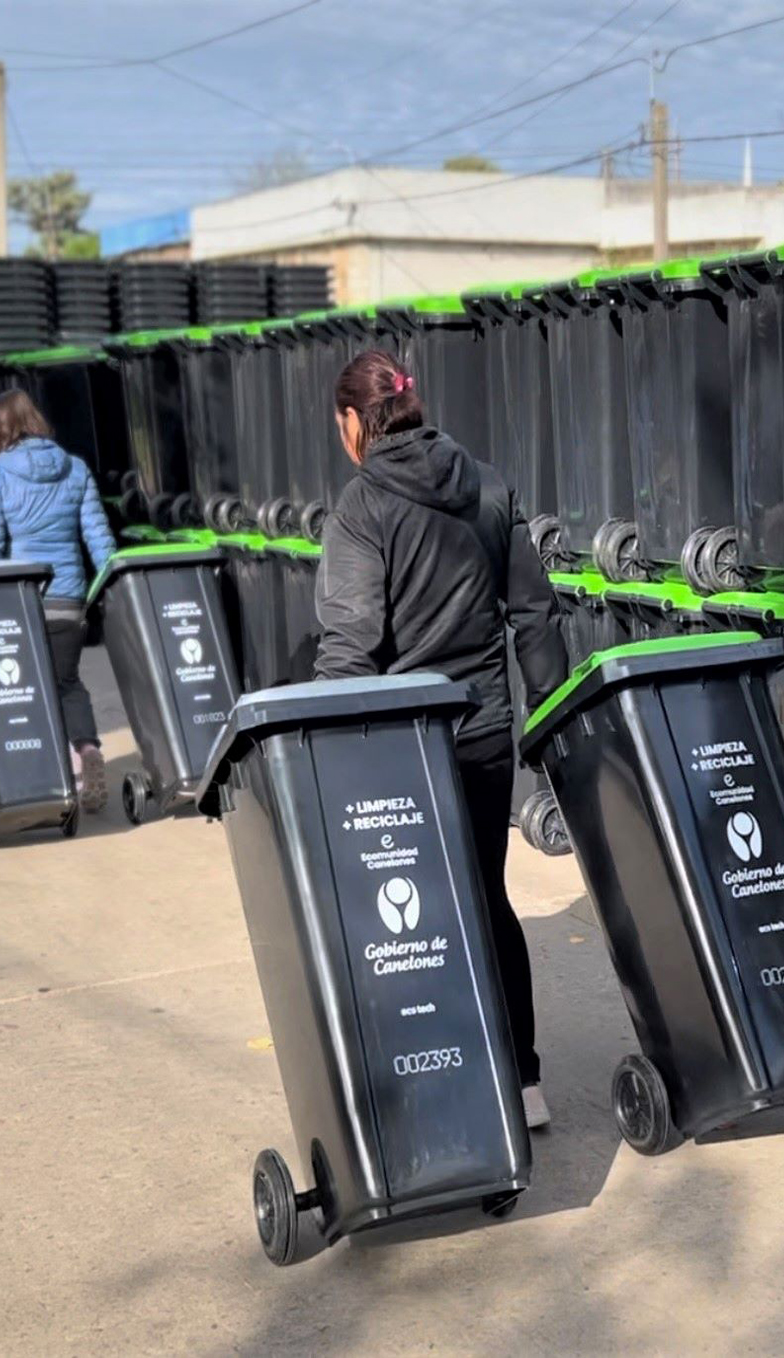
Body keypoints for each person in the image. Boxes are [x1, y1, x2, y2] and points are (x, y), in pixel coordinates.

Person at [313, 349, 569, 1129]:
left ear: (357, 421)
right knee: (486, 901)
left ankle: (432, 1084)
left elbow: (349, 644)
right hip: (484, 734)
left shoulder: (361, 507)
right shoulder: (488, 484)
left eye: (340, 423)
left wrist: (327, 751)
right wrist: (549, 727)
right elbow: (534, 615)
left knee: (407, 922)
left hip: (402, 749)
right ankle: (523, 1085)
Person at [0, 390, 115, 812]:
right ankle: (87, 751)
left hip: (21, 600)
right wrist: (108, 584)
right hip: (69, 600)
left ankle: (58, 771)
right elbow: (98, 537)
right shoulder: (75, 469)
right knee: (66, 682)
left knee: (28, 690)